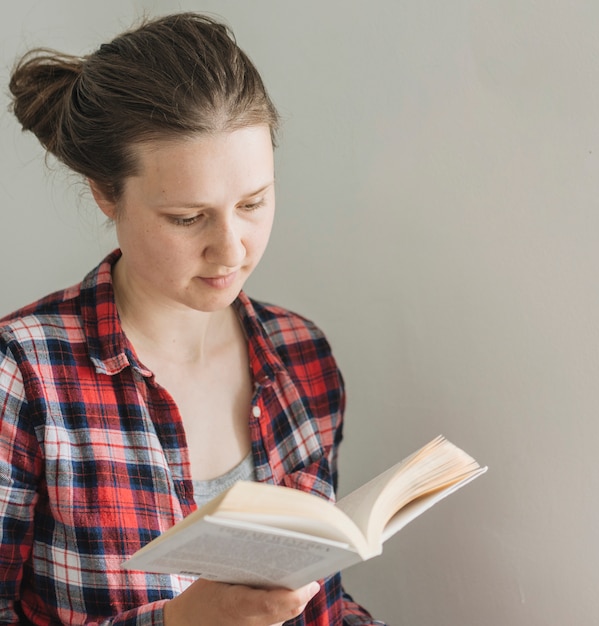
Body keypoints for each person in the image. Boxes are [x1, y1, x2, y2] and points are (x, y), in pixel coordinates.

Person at [0, 11, 385, 626]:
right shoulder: (22, 376)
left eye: (254, 203)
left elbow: (325, 608)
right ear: (106, 192)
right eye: (187, 217)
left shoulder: (302, 356)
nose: (232, 249)